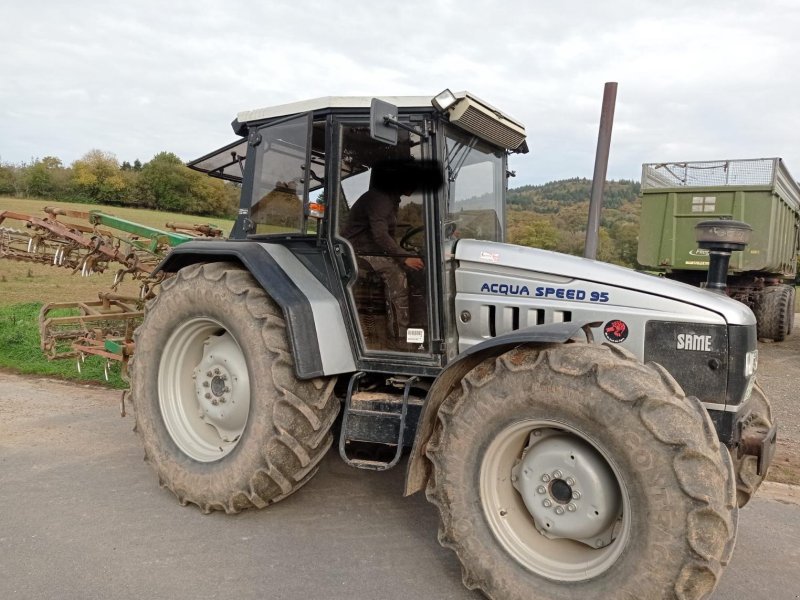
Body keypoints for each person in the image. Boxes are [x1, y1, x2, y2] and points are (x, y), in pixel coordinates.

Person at [341, 161, 423, 347]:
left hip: (371, 251)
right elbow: (380, 235)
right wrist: (403, 257)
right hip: (357, 252)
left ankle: (419, 329)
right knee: (397, 274)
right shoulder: (380, 199)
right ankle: (400, 339)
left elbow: (388, 234)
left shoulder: (391, 200)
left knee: (413, 266)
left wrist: (408, 253)